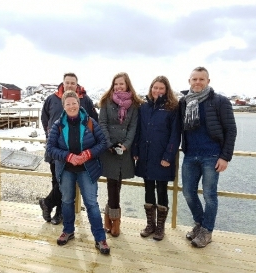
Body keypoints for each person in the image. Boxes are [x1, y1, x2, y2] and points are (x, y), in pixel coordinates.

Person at [46, 90, 110, 255]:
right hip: (66, 170)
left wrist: (88, 154)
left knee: (91, 203)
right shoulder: (58, 125)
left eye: (74, 103)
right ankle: (68, 230)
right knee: (67, 201)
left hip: (87, 169)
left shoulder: (89, 122)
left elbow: (102, 142)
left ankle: (100, 238)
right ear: (64, 106)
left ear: (79, 104)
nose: (71, 106)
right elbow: (50, 149)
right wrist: (68, 156)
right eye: (68, 104)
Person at [179, 66, 237, 248]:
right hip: (190, 155)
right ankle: (200, 224)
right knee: (188, 193)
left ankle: (207, 231)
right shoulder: (184, 102)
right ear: (189, 81)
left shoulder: (220, 101)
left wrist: (225, 157)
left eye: (201, 79)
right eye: (194, 79)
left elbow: (231, 130)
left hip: (212, 156)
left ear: (208, 81)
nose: (197, 82)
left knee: (209, 195)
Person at [40, 73, 98, 225]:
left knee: (67, 184)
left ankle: (50, 205)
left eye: (73, 83)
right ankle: (57, 212)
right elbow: (44, 118)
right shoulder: (52, 99)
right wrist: (49, 135)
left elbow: (94, 119)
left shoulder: (85, 100)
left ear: (77, 84)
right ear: (63, 83)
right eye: (68, 82)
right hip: (56, 151)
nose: (70, 85)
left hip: (78, 153)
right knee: (57, 181)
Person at [132, 75, 181, 241]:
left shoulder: (172, 108)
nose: (157, 91)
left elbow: (175, 135)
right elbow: (138, 131)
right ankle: (150, 224)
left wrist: (168, 156)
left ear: (166, 90)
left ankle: (161, 228)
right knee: (148, 189)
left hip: (162, 157)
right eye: (155, 88)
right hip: (145, 156)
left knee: (161, 190)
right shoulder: (144, 107)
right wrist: (136, 150)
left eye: (161, 88)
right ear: (151, 88)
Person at [98, 72, 144, 237]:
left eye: (121, 84)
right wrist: (109, 143)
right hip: (109, 148)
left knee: (117, 184)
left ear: (127, 85)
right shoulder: (106, 101)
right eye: (116, 84)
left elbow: (133, 127)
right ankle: (114, 222)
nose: (118, 87)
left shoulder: (134, 105)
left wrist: (125, 145)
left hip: (124, 149)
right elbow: (102, 123)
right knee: (112, 183)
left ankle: (109, 219)